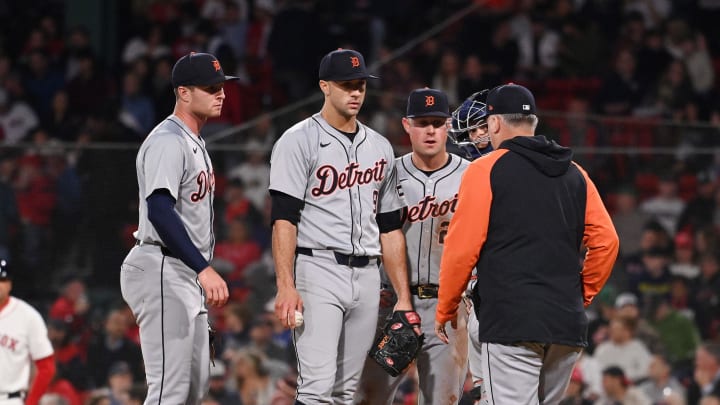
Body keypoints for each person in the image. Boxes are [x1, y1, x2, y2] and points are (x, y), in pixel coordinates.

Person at [434, 83, 619, 404]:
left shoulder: (485, 169)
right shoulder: (575, 172)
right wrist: (580, 296)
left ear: (493, 123)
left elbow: (461, 249)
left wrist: (446, 307)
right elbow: (607, 242)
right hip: (565, 323)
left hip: (511, 321)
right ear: (533, 122)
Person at [268, 48, 414, 404]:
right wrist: (285, 285)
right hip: (317, 268)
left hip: (367, 274)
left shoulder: (379, 146)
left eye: (360, 85)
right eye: (347, 85)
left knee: (346, 391)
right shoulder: (297, 140)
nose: (355, 93)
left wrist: (404, 297)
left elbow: (390, 226)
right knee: (317, 386)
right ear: (324, 86)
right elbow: (284, 217)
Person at [120, 52, 233, 404]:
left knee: (193, 388)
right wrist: (203, 268)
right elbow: (159, 209)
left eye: (222, 87)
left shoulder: (193, 140)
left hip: (181, 272)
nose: (221, 94)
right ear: (183, 92)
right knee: (170, 390)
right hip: (162, 266)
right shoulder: (168, 140)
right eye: (211, 88)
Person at [357, 88, 472, 404]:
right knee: (368, 397)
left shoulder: (470, 176)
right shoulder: (386, 173)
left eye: (437, 122)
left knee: (443, 399)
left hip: (447, 307)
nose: (431, 130)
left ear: (448, 125)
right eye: (423, 122)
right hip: (390, 305)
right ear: (407, 125)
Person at [0, 258, 56, 405]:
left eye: (3, 279)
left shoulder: (28, 316)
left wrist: (31, 402)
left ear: (10, 284)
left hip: (9, 399)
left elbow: (46, 367)